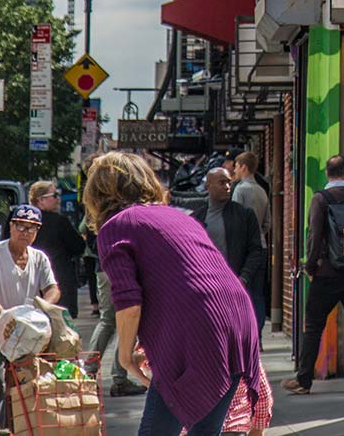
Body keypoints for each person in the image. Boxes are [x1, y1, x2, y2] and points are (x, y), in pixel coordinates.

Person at [85, 151, 265, 436]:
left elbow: (129, 302)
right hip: (239, 320)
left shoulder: (115, 227)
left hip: (199, 329)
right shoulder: (177, 216)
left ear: (97, 192)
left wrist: (124, 355)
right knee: (205, 431)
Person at [286, 155, 344, 395]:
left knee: (314, 326)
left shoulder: (321, 199)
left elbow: (314, 235)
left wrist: (310, 267)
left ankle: (304, 380)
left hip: (327, 273)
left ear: (327, 173)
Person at [0, 204, 60, 434]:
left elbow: (52, 288)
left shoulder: (39, 258)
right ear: (11, 226)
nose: (25, 232)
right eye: (20, 226)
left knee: (19, 383)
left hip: (25, 328)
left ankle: (8, 429)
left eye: (31, 228)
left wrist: (42, 307)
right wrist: (5, 315)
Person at [195, 167, 268, 326]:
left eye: (229, 182)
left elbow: (255, 250)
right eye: (222, 183)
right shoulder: (197, 218)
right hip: (208, 287)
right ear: (208, 186)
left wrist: (244, 277)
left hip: (236, 285)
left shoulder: (245, 215)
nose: (227, 187)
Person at [5, 180, 85, 319]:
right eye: (54, 195)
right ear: (40, 200)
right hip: (56, 280)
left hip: (25, 283)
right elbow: (78, 246)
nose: (58, 199)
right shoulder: (59, 222)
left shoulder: (16, 220)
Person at [84, 222, 143, 397]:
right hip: (122, 269)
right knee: (128, 320)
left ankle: (89, 372)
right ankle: (119, 379)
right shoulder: (125, 211)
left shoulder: (98, 207)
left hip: (104, 268)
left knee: (108, 320)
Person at [228, 152, 270, 325]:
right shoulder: (262, 190)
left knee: (245, 292)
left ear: (244, 166)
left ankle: (249, 333)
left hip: (245, 248)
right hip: (262, 245)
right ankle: (258, 336)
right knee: (258, 293)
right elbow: (268, 222)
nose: (234, 170)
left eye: (236, 166)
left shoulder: (240, 190)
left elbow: (236, 219)